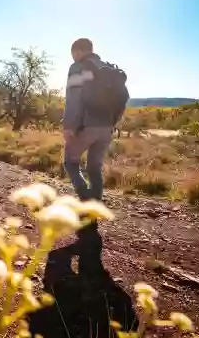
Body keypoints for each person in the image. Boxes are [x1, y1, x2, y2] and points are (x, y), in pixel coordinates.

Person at [62, 38, 128, 275]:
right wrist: (111, 123)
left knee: (70, 162)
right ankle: (95, 209)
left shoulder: (79, 66)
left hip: (85, 126)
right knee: (94, 168)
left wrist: (69, 125)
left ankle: (85, 202)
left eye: (73, 53)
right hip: (107, 128)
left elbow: (74, 97)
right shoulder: (110, 69)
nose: (72, 57)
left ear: (78, 51)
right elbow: (125, 98)